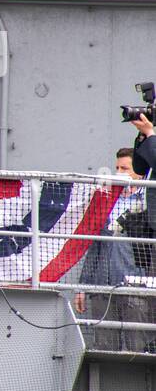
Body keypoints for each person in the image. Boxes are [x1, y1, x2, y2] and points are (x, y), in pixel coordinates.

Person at [74, 147, 151, 351]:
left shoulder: (149, 205)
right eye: (117, 168)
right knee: (104, 346)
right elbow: (94, 246)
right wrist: (83, 286)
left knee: (138, 348)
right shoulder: (105, 203)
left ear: (139, 171)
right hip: (103, 284)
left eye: (125, 168)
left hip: (137, 286)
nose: (119, 173)